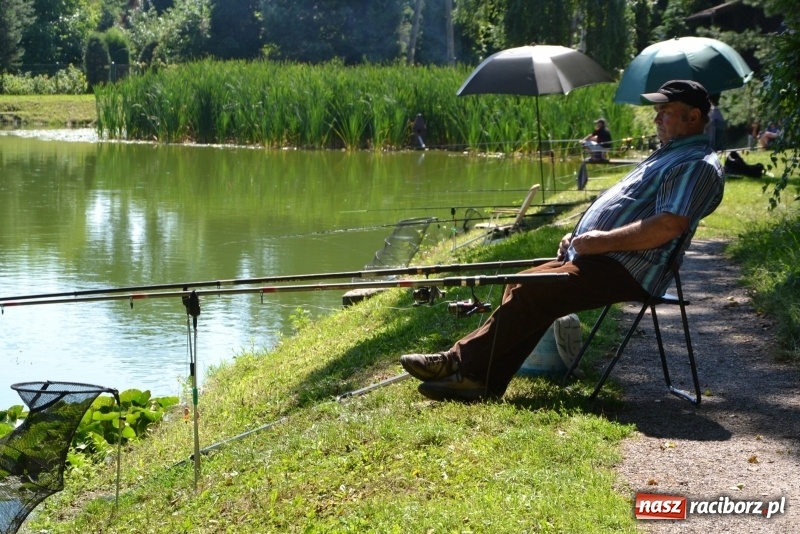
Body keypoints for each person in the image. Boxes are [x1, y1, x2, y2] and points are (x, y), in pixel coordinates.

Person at [399, 80, 725, 402]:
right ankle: (481, 382)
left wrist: (602, 241)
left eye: (666, 111)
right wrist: (579, 238)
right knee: (520, 283)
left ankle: (457, 362)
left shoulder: (695, 164)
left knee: (533, 292)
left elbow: (670, 224)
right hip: (603, 258)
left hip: (630, 268)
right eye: (657, 111)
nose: (656, 118)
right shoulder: (671, 154)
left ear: (693, 116)